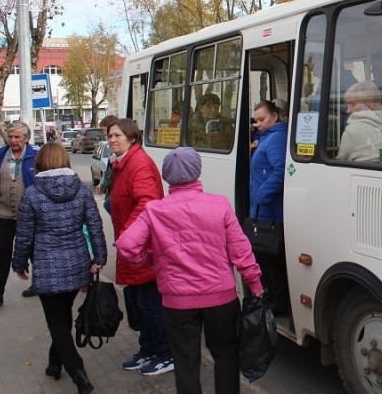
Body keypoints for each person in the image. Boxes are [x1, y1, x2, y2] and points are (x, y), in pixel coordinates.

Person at [117, 147, 265, 394]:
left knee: (186, 360)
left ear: (166, 176)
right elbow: (241, 250)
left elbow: (126, 246)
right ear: (197, 171)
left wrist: (152, 260)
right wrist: (255, 283)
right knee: (226, 354)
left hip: (177, 302)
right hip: (220, 298)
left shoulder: (155, 210)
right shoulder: (220, 205)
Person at [12, 143, 106, 394]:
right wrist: (99, 257)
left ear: (40, 163)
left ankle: (78, 371)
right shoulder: (82, 191)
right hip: (77, 265)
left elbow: (24, 236)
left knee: (57, 321)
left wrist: (19, 265)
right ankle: (55, 363)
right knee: (63, 317)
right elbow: (95, 225)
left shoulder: (32, 194)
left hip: (46, 266)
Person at [106, 118, 173, 376]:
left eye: (117, 136)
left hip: (142, 248)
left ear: (132, 138)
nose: (112, 140)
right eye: (110, 136)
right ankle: (149, 350)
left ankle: (166, 353)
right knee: (139, 304)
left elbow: (147, 203)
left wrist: (128, 236)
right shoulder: (124, 163)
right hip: (132, 246)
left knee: (150, 304)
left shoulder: (138, 163)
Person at [0, 121, 38, 307]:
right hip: (4, 214)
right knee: (0, 253)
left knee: (35, 250)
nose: (13, 140)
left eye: (17, 137)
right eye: (10, 136)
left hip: (30, 215)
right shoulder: (0, 155)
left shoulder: (35, 155)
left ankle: (39, 284)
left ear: (26, 138)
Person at [249, 100, 289, 314]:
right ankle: (272, 297)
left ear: (275, 116)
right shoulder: (265, 138)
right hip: (262, 209)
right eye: (256, 121)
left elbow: (280, 170)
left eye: (262, 119)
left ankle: (278, 302)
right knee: (265, 259)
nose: (259, 124)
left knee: (272, 260)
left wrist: (261, 195)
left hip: (270, 211)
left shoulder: (276, 138)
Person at [337, 81, 382, 162]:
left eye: (353, 104)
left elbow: (340, 163)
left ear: (370, 102)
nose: (348, 111)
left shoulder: (352, 131)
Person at [96, 115, 119, 215]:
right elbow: (108, 171)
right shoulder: (110, 146)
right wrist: (102, 183)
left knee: (108, 204)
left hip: (118, 187)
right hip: (113, 187)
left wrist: (117, 160)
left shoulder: (119, 146)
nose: (104, 133)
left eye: (105, 130)